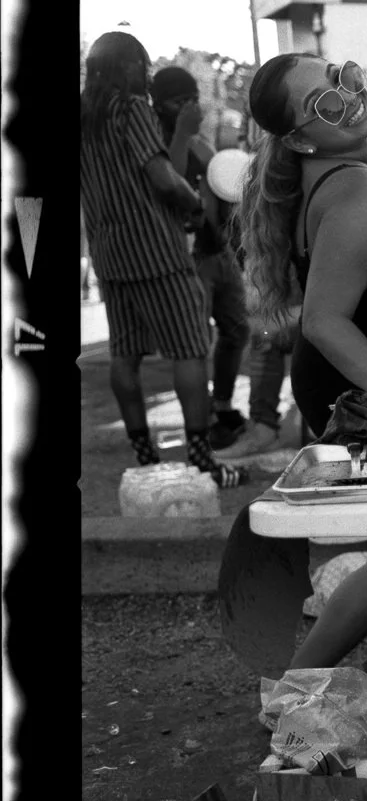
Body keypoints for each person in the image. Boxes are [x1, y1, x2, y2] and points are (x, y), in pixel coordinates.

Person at [238, 52, 367, 669]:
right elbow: (326, 321)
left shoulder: (354, 163)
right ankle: (293, 690)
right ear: (300, 139)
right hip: (362, 385)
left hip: (364, 377)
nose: (347, 94)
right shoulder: (357, 188)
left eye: (340, 75)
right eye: (324, 100)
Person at [78, 32, 247, 488]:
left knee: (125, 354)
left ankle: (146, 457)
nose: (145, 75)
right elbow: (160, 175)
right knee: (189, 348)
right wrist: (192, 203)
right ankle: (200, 459)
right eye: (141, 66)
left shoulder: (82, 115)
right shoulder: (130, 108)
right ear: (128, 67)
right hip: (156, 248)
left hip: (109, 255)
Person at [150, 66, 250, 450]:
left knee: (237, 330)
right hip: (185, 256)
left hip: (217, 249)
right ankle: (201, 421)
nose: (188, 107)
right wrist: (181, 133)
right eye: (179, 102)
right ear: (160, 105)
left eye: (192, 100)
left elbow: (218, 175)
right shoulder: (156, 137)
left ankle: (221, 405)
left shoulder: (195, 138)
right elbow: (170, 182)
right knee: (194, 342)